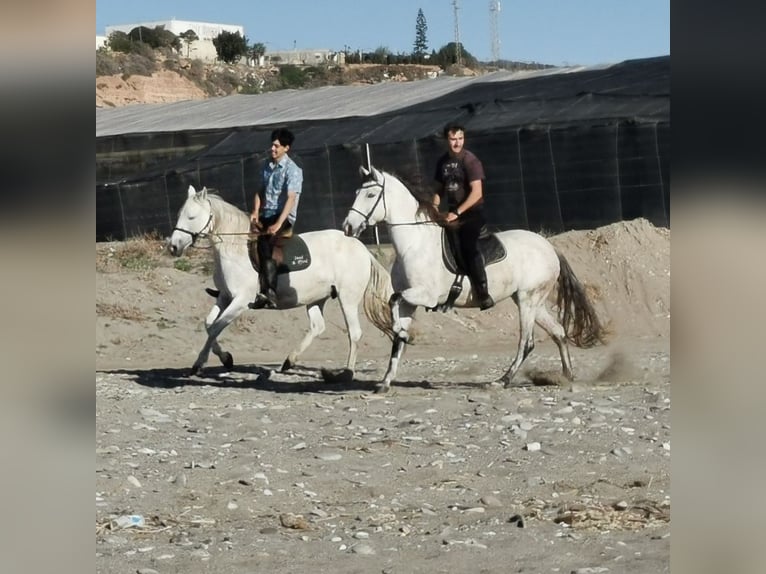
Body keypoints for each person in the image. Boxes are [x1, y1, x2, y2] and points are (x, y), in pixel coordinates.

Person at [433, 122, 495, 310]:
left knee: (468, 245)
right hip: (452, 213)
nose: (457, 143)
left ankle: (483, 293)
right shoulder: (442, 162)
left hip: (471, 213)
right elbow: (438, 189)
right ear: (447, 140)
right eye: (453, 139)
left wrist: (457, 213)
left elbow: (477, 193)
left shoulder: (470, 161)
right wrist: (434, 207)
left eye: (460, 138)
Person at [248, 128, 303, 309]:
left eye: (276, 146)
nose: (272, 148)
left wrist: (279, 223)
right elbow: (260, 190)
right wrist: (256, 211)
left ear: (286, 148)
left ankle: (269, 292)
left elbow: (291, 198)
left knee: (265, 244)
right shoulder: (267, 166)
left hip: (283, 217)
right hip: (267, 214)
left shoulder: (293, 170)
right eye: (272, 145)